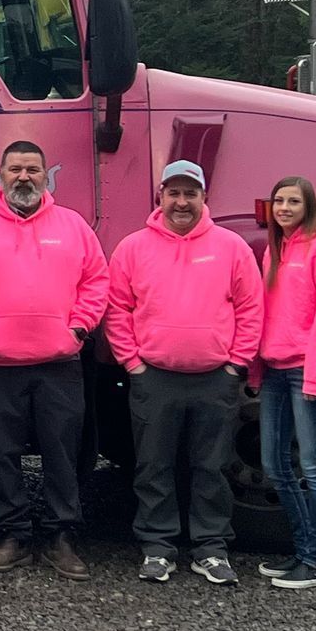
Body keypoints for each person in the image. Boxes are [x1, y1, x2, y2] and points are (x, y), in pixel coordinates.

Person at [0, 141, 108, 580]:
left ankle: (61, 537)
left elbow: (96, 282)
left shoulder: (73, 226)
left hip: (59, 364)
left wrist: (78, 328)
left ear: (45, 176)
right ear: (0, 175)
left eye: (33, 169)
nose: (24, 177)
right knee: (2, 455)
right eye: (15, 169)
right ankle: (13, 536)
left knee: (63, 455)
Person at [105, 160, 263, 586]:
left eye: (190, 193)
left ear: (204, 198)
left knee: (211, 466)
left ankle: (210, 548)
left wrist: (236, 363)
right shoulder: (133, 248)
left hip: (215, 378)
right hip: (154, 377)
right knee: (153, 465)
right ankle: (158, 547)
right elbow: (117, 308)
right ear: (160, 197)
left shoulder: (231, 247)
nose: (181, 202)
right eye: (173, 193)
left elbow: (251, 308)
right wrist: (133, 363)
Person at [253, 175, 316, 591]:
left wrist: (315, 374)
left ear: (309, 206)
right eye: (279, 201)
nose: (285, 208)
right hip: (275, 371)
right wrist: (256, 370)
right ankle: (302, 550)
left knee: (313, 466)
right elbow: (264, 314)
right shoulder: (272, 251)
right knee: (275, 465)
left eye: (294, 201)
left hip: (307, 372)